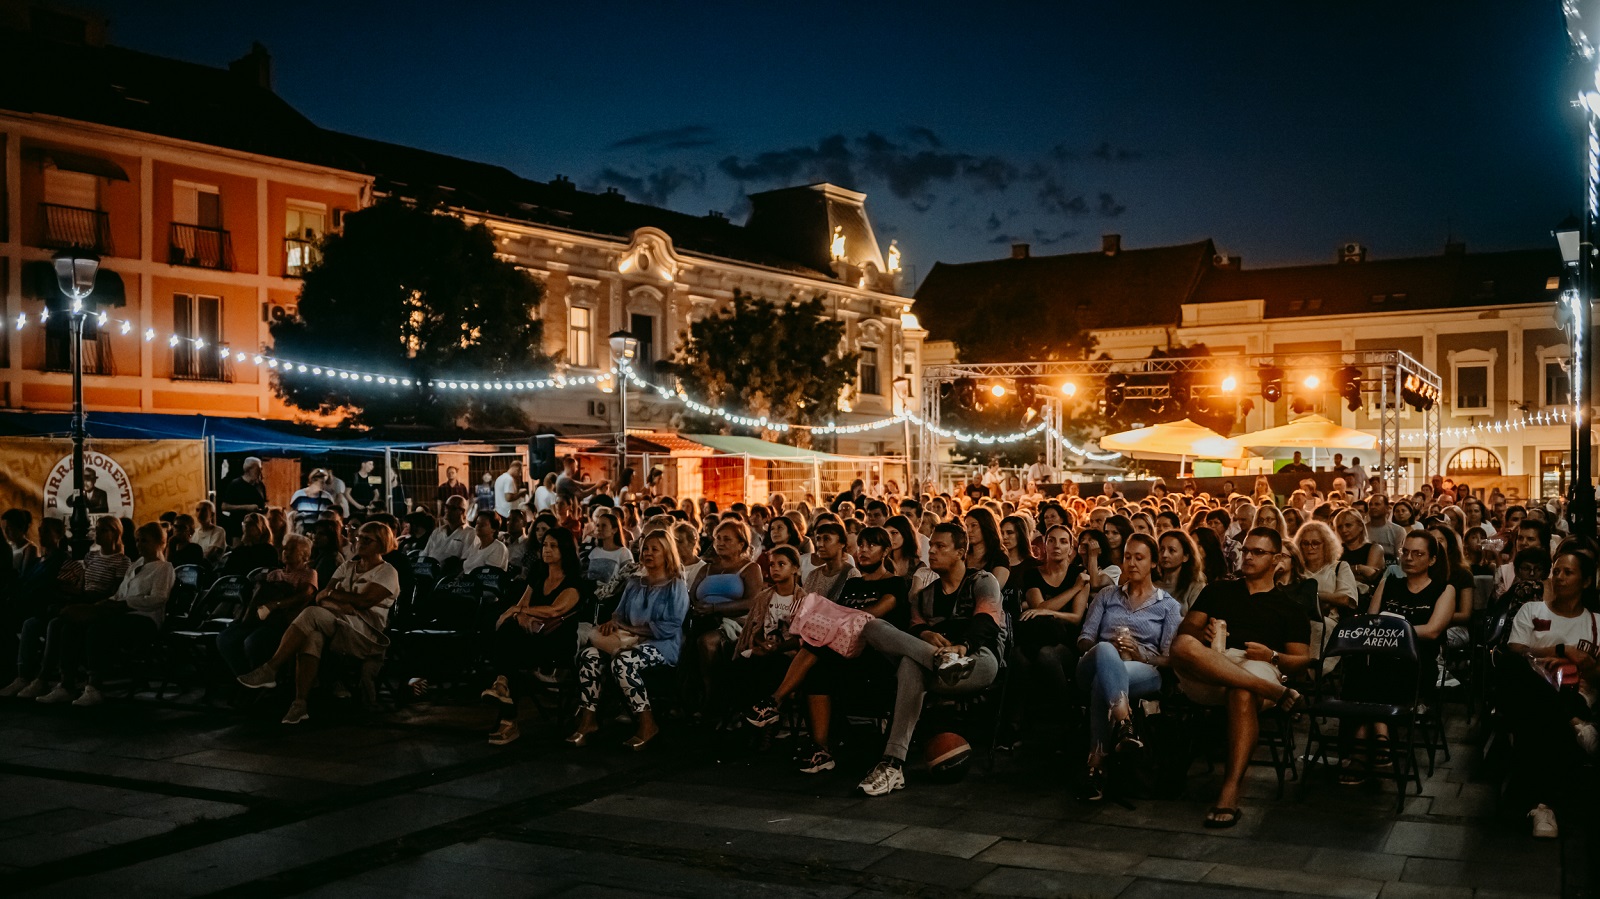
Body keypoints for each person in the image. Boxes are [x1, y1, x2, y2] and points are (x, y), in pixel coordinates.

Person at [1170, 527, 1311, 829]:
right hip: (1213, 664)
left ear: (1278, 559)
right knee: (1182, 646)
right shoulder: (1219, 590)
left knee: (1242, 692)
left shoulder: (1290, 607)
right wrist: (1202, 631)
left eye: (1258, 552)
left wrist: (1272, 656)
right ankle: (1273, 692)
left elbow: (1301, 661)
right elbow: (1184, 635)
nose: (1248, 557)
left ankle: (1230, 789)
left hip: (1258, 663)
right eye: (1246, 550)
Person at [855, 522, 1003, 797]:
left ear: (961, 552)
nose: (931, 551)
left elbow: (986, 620)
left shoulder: (982, 581)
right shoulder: (925, 595)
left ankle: (892, 764)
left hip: (977, 659)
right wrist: (924, 634)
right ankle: (894, 765)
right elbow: (913, 627)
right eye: (931, 545)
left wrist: (962, 646)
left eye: (940, 546)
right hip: (937, 665)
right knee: (871, 626)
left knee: (911, 664)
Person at [237, 522, 402, 725]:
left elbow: (364, 601)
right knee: (311, 637)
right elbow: (321, 597)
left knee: (311, 614)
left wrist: (334, 594)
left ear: (381, 543)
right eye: (359, 537)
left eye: (367, 539)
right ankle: (300, 704)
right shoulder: (347, 566)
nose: (360, 542)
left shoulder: (387, 572)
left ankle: (271, 669)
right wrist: (340, 603)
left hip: (365, 633)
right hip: (337, 622)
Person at [1339, 531, 1457, 785]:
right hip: (1380, 657)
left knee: (1377, 672)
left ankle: (1360, 747)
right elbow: (1372, 622)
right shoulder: (1389, 582)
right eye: (1406, 552)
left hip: (1416, 663)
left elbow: (1433, 630)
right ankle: (1380, 732)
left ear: (1433, 560)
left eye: (1418, 554)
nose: (1409, 558)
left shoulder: (1443, 590)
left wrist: (1394, 631)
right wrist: (1389, 631)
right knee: (1360, 666)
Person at [1074, 534, 1182, 800]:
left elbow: (1169, 658)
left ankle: (1096, 767)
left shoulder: (1167, 606)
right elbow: (1085, 637)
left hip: (1141, 668)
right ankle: (1125, 723)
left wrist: (1140, 653)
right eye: (1127, 557)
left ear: (1154, 563)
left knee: (1104, 682)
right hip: (1095, 661)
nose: (1131, 563)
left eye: (1139, 557)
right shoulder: (1107, 596)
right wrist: (1103, 650)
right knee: (1106, 653)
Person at [1504, 550, 1600, 839]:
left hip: (1578, 695)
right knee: (1520, 673)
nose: (1558, 577)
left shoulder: (1596, 622)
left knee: (1540, 718)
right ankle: (1574, 725)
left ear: (1585, 581)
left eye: (1567, 572)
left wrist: (1585, 663)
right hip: (1532, 691)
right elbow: (1516, 652)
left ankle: (1542, 806)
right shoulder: (1532, 612)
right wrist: (1561, 651)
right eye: (1556, 571)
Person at [567, 528, 689, 750]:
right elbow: (619, 614)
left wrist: (631, 628)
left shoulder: (675, 586)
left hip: (661, 646)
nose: (648, 553)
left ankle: (647, 722)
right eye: (646, 549)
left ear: (667, 554)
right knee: (589, 655)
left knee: (623, 662)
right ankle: (588, 719)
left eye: (655, 549)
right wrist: (612, 623)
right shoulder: (634, 583)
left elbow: (670, 627)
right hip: (628, 641)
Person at [34, 522, 173, 707]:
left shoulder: (164, 568)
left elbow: (158, 598)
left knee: (97, 629)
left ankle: (94, 686)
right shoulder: (136, 565)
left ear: (160, 542)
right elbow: (121, 592)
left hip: (145, 619)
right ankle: (66, 684)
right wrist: (107, 603)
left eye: (145, 541)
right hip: (121, 612)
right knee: (68, 625)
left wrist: (125, 604)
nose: (139, 545)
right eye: (138, 541)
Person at [482, 528, 583, 746]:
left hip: (556, 643)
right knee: (510, 645)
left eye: (553, 546)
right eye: (545, 545)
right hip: (531, 639)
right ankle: (505, 701)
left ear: (564, 550)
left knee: (509, 646)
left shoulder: (574, 582)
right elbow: (524, 603)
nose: (546, 550)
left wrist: (517, 613)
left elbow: (554, 610)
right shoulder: (539, 573)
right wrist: (519, 613)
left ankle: (505, 704)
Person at [217, 534, 318, 676]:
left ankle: (263, 678)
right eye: (284, 549)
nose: (286, 552)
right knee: (225, 638)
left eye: (292, 549)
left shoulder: (308, 574)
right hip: (259, 619)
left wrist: (275, 604)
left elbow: (306, 594)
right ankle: (244, 676)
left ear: (305, 556)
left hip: (283, 622)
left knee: (252, 642)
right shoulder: (274, 574)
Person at [801, 522, 859, 601]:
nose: (820, 544)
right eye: (818, 539)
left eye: (826, 539)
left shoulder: (851, 574)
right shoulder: (813, 575)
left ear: (841, 544)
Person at [1157, 529, 1207, 612]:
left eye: (1171, 550)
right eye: (1161, 549)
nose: (1164, 555)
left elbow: (1196, 620)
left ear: (1185, 557)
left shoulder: (1195, 587)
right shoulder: (1151, 584)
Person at [219, 456, 269, 540]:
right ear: (249, 469)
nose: (260, 472)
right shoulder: (235, 485)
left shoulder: (260, 485)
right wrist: (246, 507)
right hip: (238, 529)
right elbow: (224, 506)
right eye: (258, 469)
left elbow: (263, 502)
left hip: (258, 529)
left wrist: (264, 509)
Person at [586, 512, 634, 583]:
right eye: (598, 525)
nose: (599, 529)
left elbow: (628, 580)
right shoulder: (594, 551)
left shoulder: (624, 553)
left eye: (604, 526)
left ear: (614, 530)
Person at [424, 495, 473, 563]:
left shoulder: (470, 534)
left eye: (452, 508)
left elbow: (465, 561)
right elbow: (425, 554)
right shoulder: (437, 532)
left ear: (462, 511)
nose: (447, 510)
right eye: (446, 507)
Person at [193, 501, 227, 565]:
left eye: (204, 510)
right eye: (197, 510)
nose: (199, 514)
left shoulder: (219, 531)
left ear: (212, 514)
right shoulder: (194, 532)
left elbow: (210, 553)